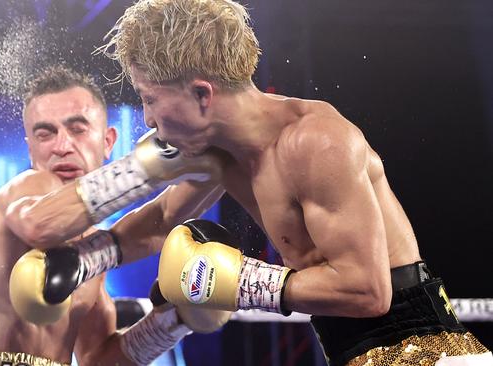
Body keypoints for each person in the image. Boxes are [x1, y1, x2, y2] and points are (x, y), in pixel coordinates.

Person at [100, 0, 493, 365]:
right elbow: (163, 217)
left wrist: (240, 282)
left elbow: (368, 291)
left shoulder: (315, 143)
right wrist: (85, 259)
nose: (148, 119)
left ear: (203, 94)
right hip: (350, 349)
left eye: (149, 98)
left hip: (419, 347)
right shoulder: (223, 153)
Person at [0, 64, 231, 366]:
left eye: (77, 128)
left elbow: (98, 360)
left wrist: (172, 322)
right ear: (30, 148)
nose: (61, 146)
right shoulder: (27, 188)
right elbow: (35, 224)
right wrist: (146, 167)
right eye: (45, 134)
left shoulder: (87, 259)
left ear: (108, 141)